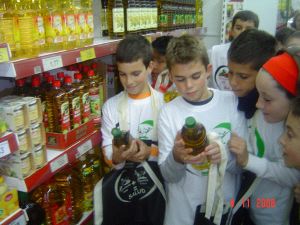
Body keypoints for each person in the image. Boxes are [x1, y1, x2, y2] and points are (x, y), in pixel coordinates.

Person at [158, 34, 245, 225]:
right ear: (170, 76)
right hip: (182, 214)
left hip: (223, 209)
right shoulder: (168, 113)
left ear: (208, 70)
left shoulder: (230, 102)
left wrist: (223, 157)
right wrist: (176, 157)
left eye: (195, 76)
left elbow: (241, 166)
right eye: (180, 79)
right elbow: (168, 175)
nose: (188, 86)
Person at [95, 34, 165, 225]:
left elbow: (172, 153)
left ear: (150, 66)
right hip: (123, 192)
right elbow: (108, 151)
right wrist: (118, 156)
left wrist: (149, 152)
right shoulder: (111, 107)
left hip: (157, 192)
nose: (129, 82)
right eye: (122, 74)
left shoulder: (164, 103)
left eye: (136, 73)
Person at [228, 49, 300, 225]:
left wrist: (247, 161)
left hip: (272, 215)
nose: (258, 103)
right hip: (247, 203)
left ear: (294, 99)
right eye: (258, 94)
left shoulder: (291, 136)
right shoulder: (263, 113)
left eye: (267, 99)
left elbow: (293, 176)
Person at [210, 10, 259, 90]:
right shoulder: (215, 52)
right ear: (231, 31)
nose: (243, 32)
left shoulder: (259, 56)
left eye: (248, 29)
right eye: (238, 28)